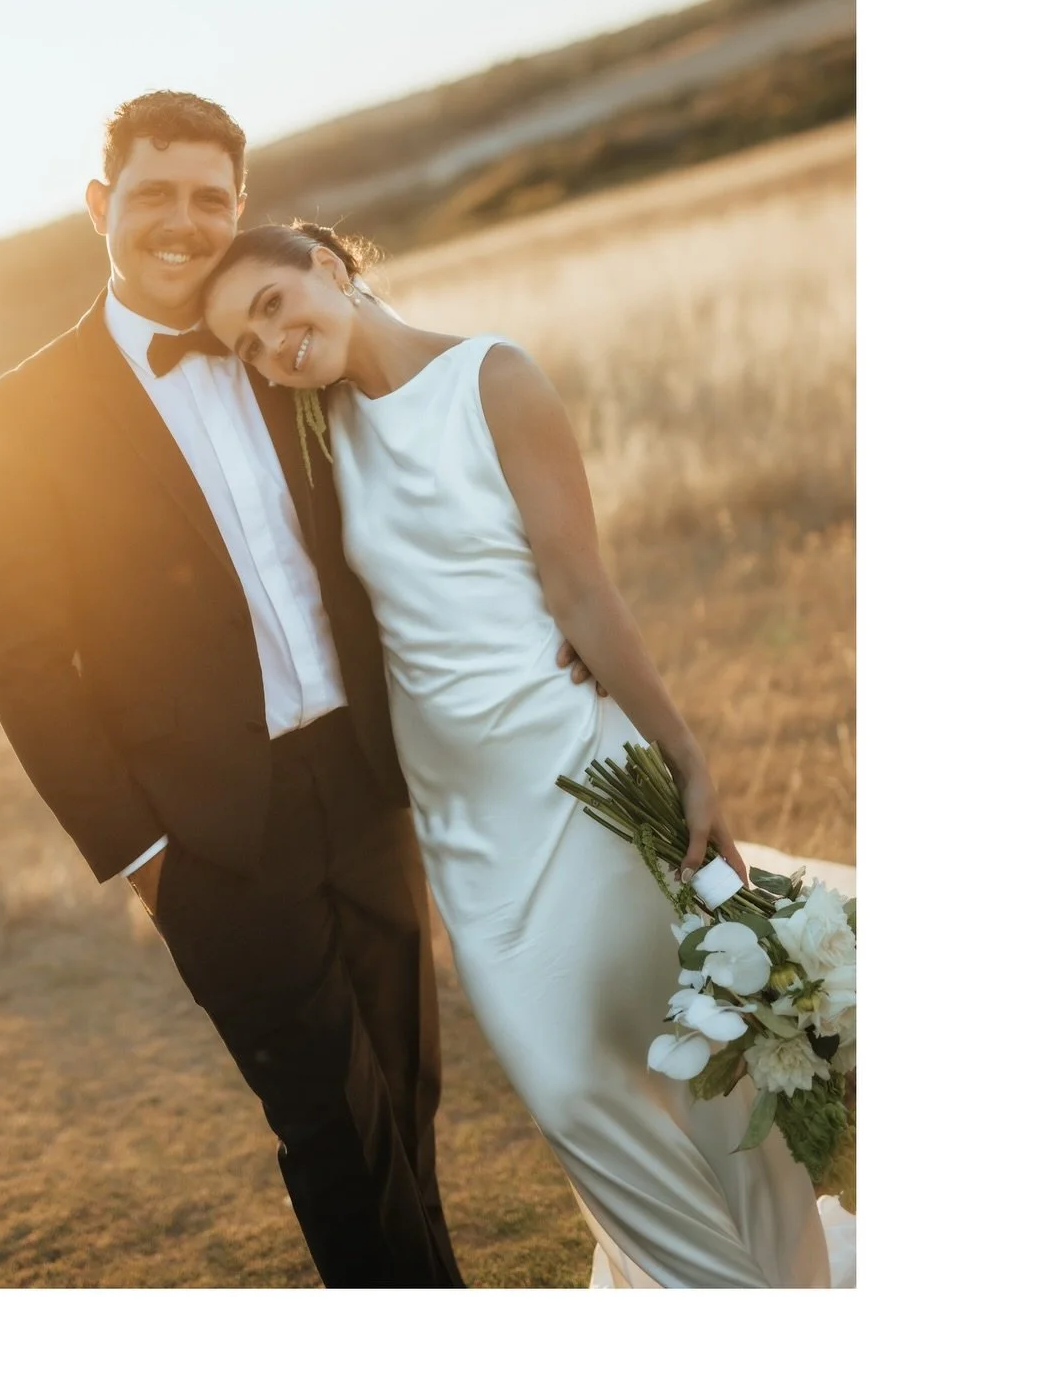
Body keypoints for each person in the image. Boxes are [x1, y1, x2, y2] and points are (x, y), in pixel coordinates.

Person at [0, 91, 599, 1288]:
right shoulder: (23, 416)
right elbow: (24, 664)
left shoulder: (285, 344)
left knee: (405, 1101)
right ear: (100, 205)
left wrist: (548, 620)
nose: (182, 221)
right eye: (153, 194)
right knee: (334, 1129)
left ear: (241, 208)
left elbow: (431, 485)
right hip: (210, 837)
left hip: (366, 786)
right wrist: (145, 855)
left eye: (210, 198)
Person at [200, 220, 835, 1288]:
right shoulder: (318, 433)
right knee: (570, 1092)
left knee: (704, 1063)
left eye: (273, 306)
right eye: (247, 347)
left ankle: (786, 1298)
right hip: (463, 824)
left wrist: (686, 757)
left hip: (580, 775)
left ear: (329, 268)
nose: (272, 348)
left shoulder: (494, 378)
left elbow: (580, 587)